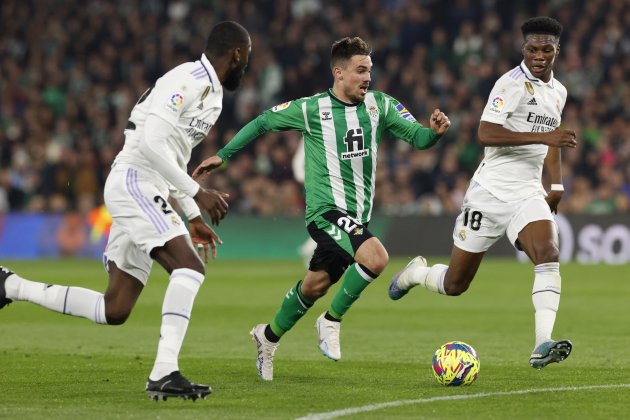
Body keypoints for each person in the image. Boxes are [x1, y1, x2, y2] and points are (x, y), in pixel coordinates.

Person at [0, 21, 252, 400]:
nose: (246, 65)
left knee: (114, 308)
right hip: (135, 180)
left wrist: (193, 215)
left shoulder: (212, 95)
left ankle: (10, 285)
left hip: (148, 187)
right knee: (189, 268)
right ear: (236, 53)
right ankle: (165, 372)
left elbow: (173, 157)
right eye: (246, 57)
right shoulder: (189, 79)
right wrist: (197, 193)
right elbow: (150, 144)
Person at [192, 36, 451, 381]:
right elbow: (263, 122)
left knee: (313, 287)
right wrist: (223, 156)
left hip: (356, 218)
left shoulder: (381, 106)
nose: (367, 78)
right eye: (360, 71)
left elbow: (418, 139)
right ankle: (330, 321)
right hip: (325, 213)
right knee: (375, 258)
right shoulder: (312, 109)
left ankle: (266, 338)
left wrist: (433, 132)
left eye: (369, 71)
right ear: (339, 73)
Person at [388, 16, 577, 370]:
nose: (538, 55)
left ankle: (542, 343)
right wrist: (545, 137)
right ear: (523, 49)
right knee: (456, 283)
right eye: (532, 49)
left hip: (526, 192)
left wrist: (556, 184)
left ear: (556, 51)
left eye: (546, 50)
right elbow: (486, 133)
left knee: (548, 253)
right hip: (489, 193)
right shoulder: (510, 85)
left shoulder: (559, 92)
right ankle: (416, 273)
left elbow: (552, 143)